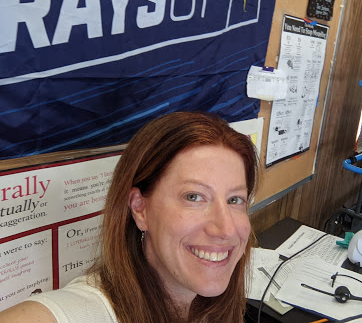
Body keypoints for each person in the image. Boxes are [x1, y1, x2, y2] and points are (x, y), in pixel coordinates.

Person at [0, 112, 259, 323]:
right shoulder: (84, 311)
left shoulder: (212, 306)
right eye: (193, 197)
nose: (225, 229)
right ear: (140, 209)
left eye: (235, 200)